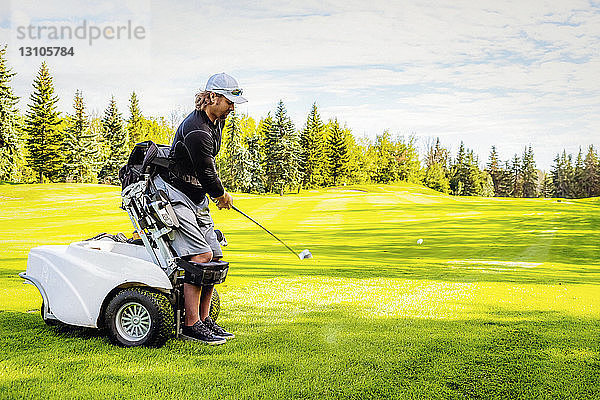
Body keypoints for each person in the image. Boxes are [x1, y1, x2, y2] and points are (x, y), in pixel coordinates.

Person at [153, 72, 247, 345]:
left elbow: (207, 169)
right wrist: (221, 195)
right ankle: (191, 324)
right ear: (213, 97)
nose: (233, 107)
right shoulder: (196, 130)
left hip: (196, 196)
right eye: (229, 101)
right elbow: (207, 172)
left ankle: (205, 321)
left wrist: (213, 193)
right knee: (201, 255)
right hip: (175, 195)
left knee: (214, 256)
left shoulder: (216, 121)